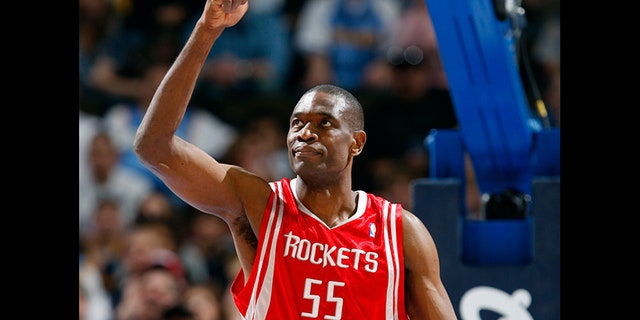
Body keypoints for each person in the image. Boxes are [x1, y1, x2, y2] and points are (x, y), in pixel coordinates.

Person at [133, 0, 457, 319]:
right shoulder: (258, 202)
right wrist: (206, 31)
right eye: (297, 124)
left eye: (324, 123)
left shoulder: (400, 232)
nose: (305, 133)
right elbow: (154, 147)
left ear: (357, 143)